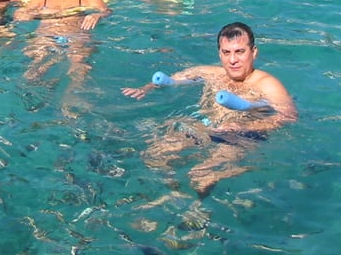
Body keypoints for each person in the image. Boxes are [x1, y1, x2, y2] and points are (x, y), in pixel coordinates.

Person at [121, 22, 297, 197]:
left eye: (240, 52)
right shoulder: (211, 74)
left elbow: (289, 116)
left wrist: (245, 127)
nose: (233, 60)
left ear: (254, 52)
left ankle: (197, 214)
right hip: (205, 128)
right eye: (226, 52)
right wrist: (146, 88)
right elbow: (175, 78)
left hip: (241, 137)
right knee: (154, 155)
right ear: (219, 53)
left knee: (200, 175)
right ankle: (172, 196)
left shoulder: (267, 84)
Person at [14, 0, 110, 104]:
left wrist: (96, 16)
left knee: (79, 67)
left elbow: (106, 11)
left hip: (77, 37)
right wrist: (30, 15)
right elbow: (19, 15)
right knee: (34, 70)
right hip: (47, 38)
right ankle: (37, 96)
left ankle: (71, 102)